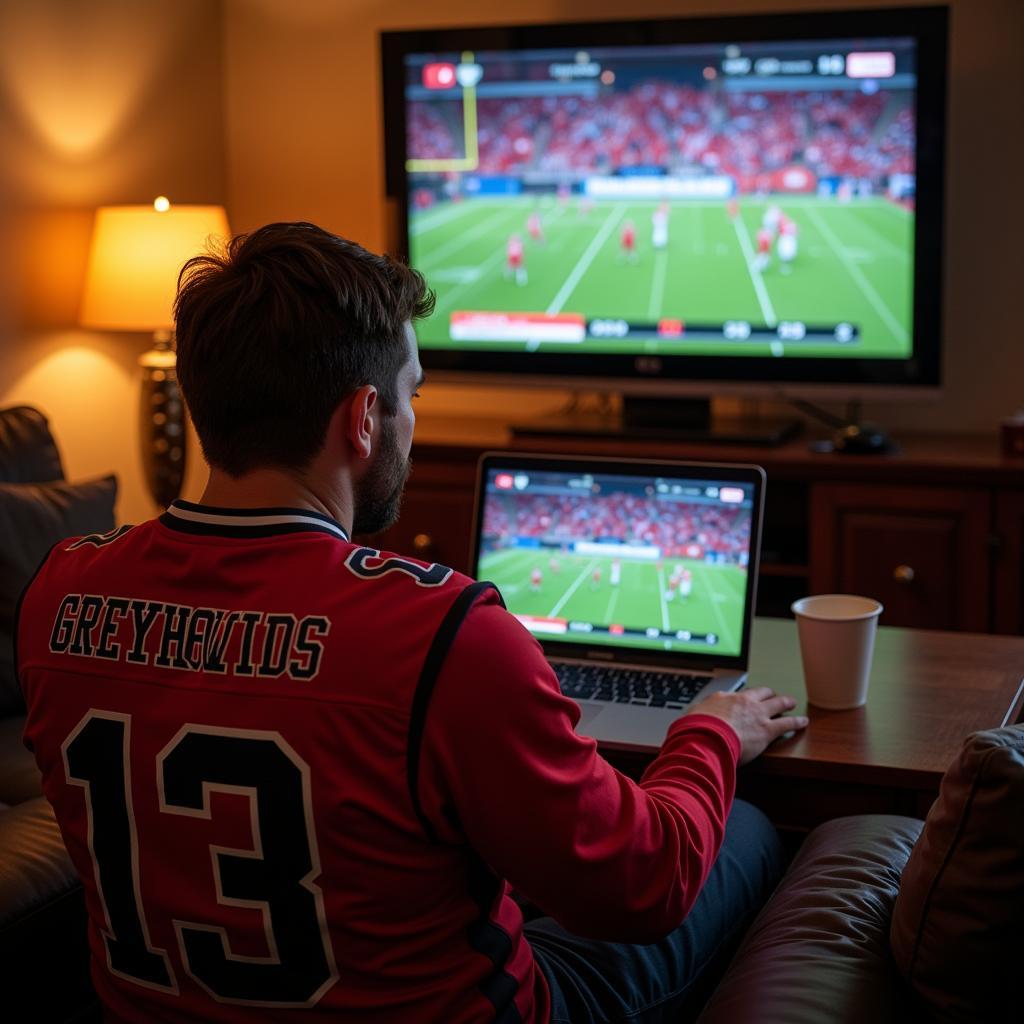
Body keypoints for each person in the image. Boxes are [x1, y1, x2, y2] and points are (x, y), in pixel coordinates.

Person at [16, 222, 807, 1024]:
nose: (412, 418)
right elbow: (647, 885)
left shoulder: (56, 590)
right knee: (740, 827)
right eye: (412, 393)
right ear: (364, 418)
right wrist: (710, 733)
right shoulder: (443, 630)